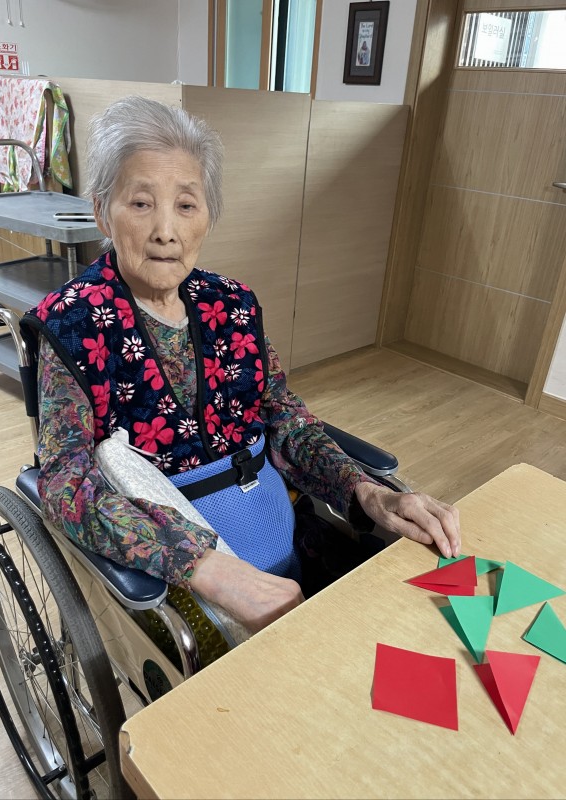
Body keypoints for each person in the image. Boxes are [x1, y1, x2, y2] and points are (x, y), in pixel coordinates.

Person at [23, 96, 460, 636]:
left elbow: (286, 420)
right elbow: (66, 484)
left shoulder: (232, 304)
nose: (166, 230)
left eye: (187, 205)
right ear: (101, 212)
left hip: (281, 530)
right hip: (175, 579)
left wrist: (368, 491)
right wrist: (203, 565)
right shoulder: (70, 323)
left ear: (208, 216)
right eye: (141, 203)